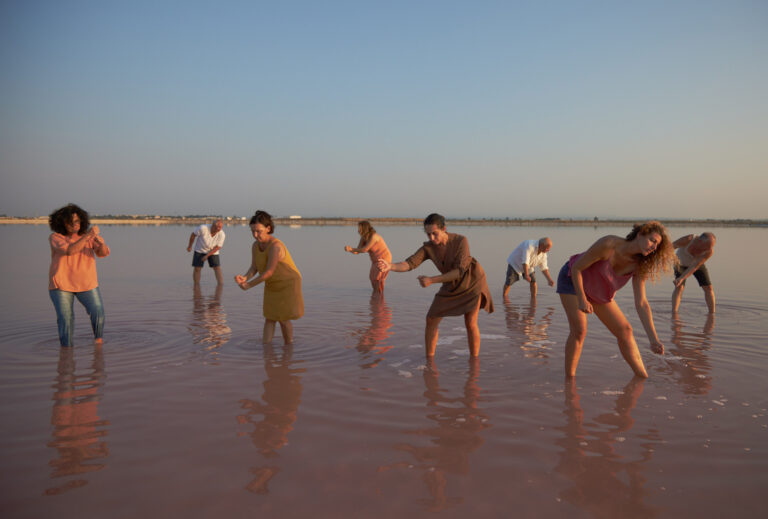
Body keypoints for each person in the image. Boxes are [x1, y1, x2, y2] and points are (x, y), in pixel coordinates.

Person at [556, 221, 675, 378]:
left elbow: (641, 303)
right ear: (640, 234)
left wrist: (654, 339)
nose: (654, 247)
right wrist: (582, 299)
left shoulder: (640, 265)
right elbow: (577, 267)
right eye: (652, 240)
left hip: (599, 290)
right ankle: (569, 381)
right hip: (572, 279)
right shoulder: (609, 244)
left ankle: (642, 377)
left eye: (657, 246)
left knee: (625, 331)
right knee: (579, 330)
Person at [378, 213, 494, 359]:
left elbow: (459, 271)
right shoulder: (428, 248)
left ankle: (474, 362)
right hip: (449, 283)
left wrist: (431, 280)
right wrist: (390, 266)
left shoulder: (460, 241)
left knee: (470, 322)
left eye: (435, 233)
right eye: (428, 234)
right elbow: (410, 263)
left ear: (444, 229)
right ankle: (429, 360)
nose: (432, 238)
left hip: (472, 281)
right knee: (431, 318)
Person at [235, 210, 304, 344]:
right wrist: (244, 278)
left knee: (283, 319)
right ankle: (266, 349)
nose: (255, 235)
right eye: (252, 231)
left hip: (288, 283)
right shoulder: (255, 245)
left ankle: (289, 346)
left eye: (258, 231)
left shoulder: (275, 246)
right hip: (272, 284)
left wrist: (249, 285)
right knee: (270, 317)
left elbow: (269, 272)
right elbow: (254, 267)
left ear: (268, 228)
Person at [48, 203, 111, 347]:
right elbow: (70, 250)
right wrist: (88, 235)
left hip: (87, 283)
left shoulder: (88, 237)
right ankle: (66, 350)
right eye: (69, 222)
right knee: (66, 319)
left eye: (76, 221)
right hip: (61, 285)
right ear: (61, 223)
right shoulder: (55, 237)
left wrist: (99, 244)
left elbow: (102, 253)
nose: (74, 225)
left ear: (81, 221)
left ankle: (98, 343)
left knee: (98, 311)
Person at [672, 232, 716, 314]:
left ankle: (712, 314)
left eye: (710, 248)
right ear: (699, 241)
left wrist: (682, 278)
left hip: (695, 265)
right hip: (680, 263)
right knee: (679, 287)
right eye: (706, 247)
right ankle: (674, 313)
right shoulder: (688, 239)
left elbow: (695, 266)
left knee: (708, 287)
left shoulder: (709, 251)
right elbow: (671, 247)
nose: (707, 250)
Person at [344, 220, 392, 293]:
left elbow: (364, 249)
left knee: (377, 278)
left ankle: (379, 296)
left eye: (359, 228)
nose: (358, 230)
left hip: (384, 258)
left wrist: (352, 249)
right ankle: (376, 297)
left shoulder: (374, 236)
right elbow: (358, 251)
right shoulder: (363, 238)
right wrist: (350, 250)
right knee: (372, 277)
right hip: (375, 260)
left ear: (364, 228)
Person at [187, 219, 225, 285]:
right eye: (217, 227)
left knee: (217, 268)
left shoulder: (222, 234)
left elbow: (218, 247)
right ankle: (196, 285)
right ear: (213, 225)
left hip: (213, 251)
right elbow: (193, 235)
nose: (219, 229)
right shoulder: (203, 228)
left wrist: (207, 256)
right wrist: (190, 246)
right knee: (197, 268)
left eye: (220, 227)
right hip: (200, 250)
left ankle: (220, 285)